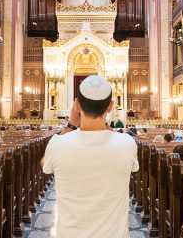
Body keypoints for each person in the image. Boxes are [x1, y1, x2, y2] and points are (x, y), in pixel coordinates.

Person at [42, 75, 138, 238]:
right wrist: (106, 126)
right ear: (111, 107)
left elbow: (45, 164)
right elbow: (119, 145)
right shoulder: (127, 144)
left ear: (77, 105)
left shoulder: (57, 144)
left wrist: (71, 125)